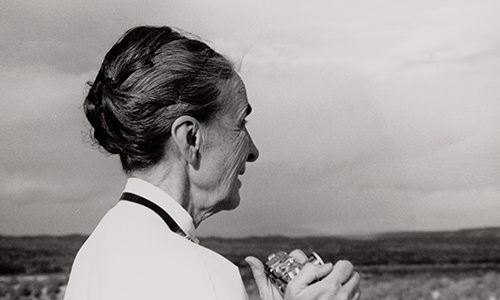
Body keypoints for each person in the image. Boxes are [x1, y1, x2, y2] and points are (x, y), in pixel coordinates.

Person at [64, 26, 360, 300]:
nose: (253, 151)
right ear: (191, 138)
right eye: (241, 123)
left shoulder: (96, 251)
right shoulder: (202, 275)